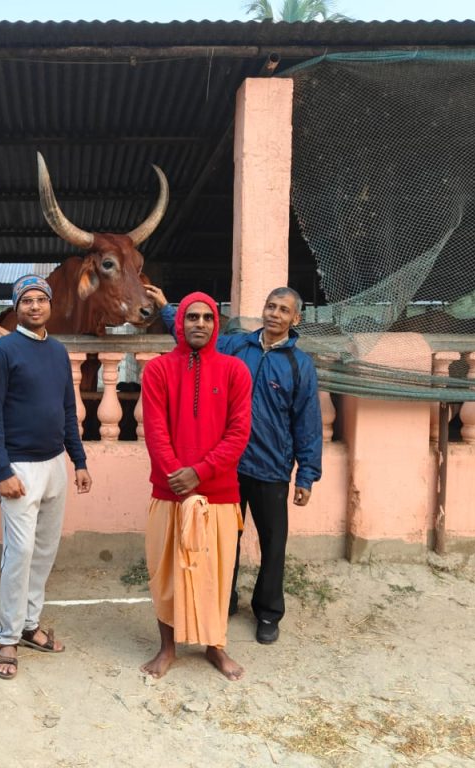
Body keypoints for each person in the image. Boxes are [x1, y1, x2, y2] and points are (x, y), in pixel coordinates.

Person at [148, 284, 322, 645]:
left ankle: (268, 612)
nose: (274, 314)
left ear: (296, 318)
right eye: (270, 306)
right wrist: (168, 308)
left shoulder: (298, 365)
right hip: (223, 468)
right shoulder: (236, 345)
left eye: (283, 310)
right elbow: (195, 332)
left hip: (271, 467)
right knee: (226, 541)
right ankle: (222, 601)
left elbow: (308, 421)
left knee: (274, 542)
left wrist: (306, 473)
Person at [0, 274, 92, 680]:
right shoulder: (2, 352)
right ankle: (6, 637)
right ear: (16, 307)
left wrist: (78, 461)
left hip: (54, 465)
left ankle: (29, 626)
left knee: (44, 553)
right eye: (26, 301)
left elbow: (67, 410)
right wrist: (2, 470)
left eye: (40, 300)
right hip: (19, 468)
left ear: (50, 305)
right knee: (20, 553)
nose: (34, 307)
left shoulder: (58, 352)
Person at [139, 292, 252, 680]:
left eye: (207, 317)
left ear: (215, 325)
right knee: (166, 574)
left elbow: (239, 433)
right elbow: (154, 431)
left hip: (219, 495)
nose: (200, 323)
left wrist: (200, 473)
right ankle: (167, 648)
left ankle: (215, 647)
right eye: (192, 317)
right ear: (180, 323)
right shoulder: (157, 371)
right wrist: (179, 477)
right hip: (168, 492)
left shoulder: (235, 371)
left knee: (216, 577)